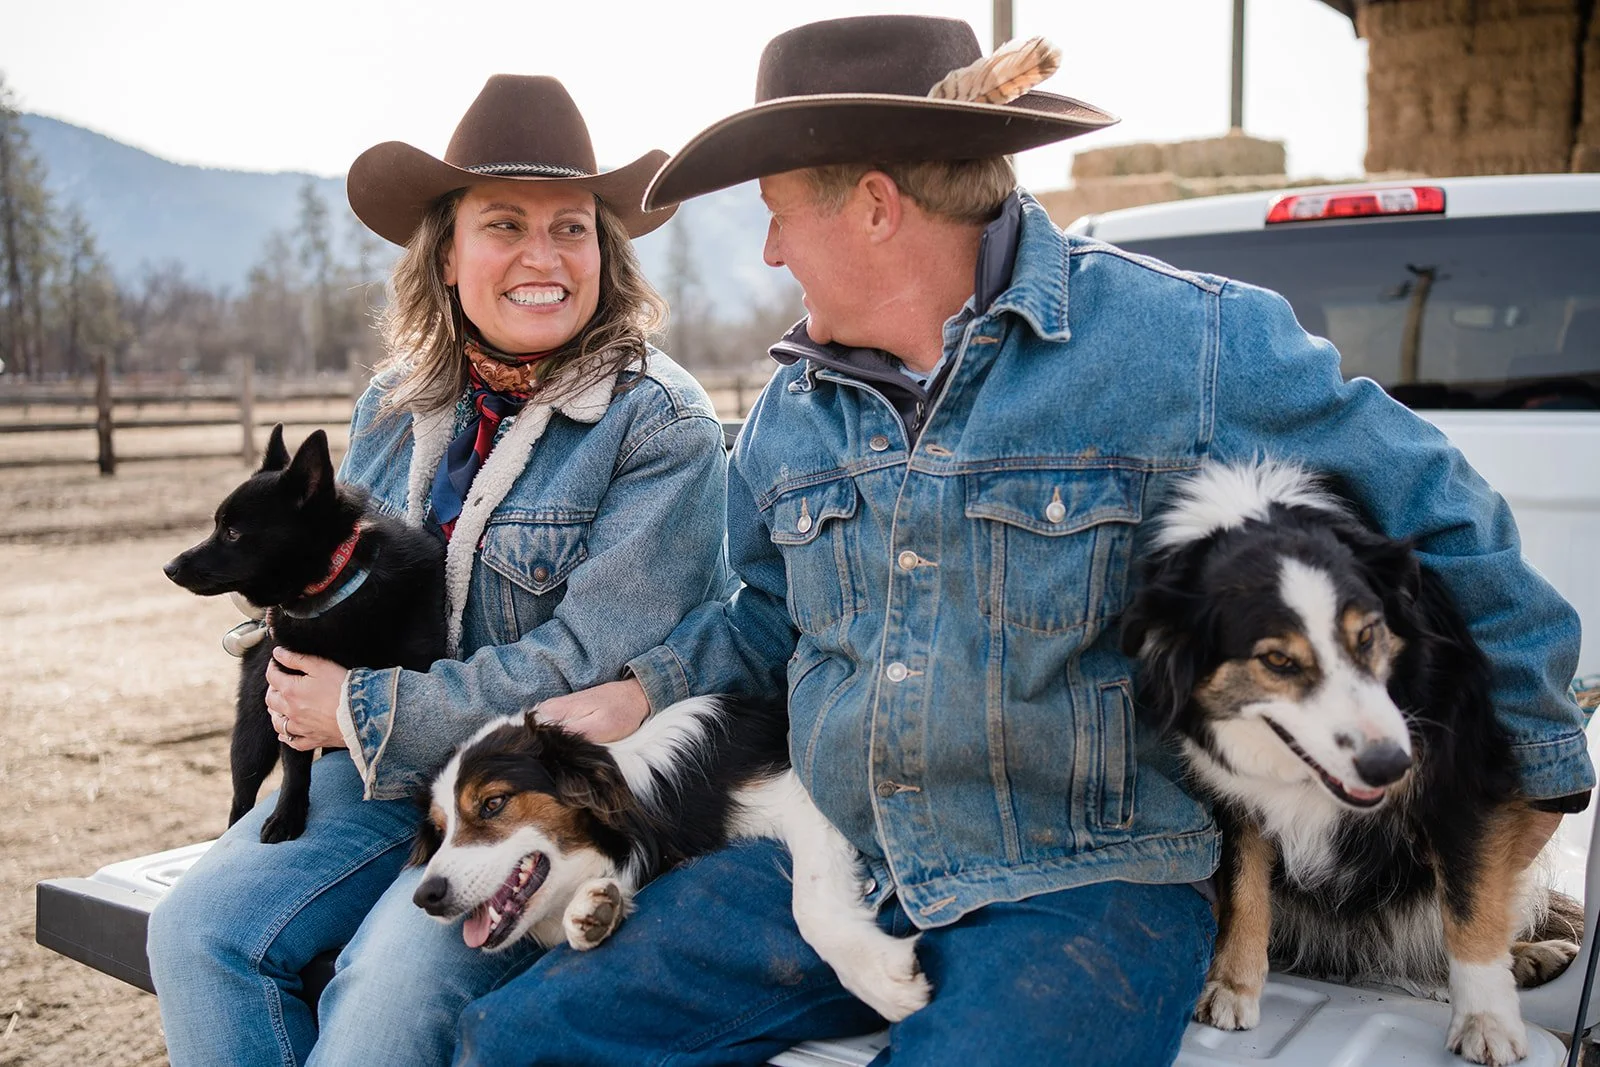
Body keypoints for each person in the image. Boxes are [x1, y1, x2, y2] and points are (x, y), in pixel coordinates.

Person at [455, 16, 1596, 1067]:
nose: (765, 251)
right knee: (513, 1041)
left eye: (777, 210)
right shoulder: (791, 415)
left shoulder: (1186, 342)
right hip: (844, 855)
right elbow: (759, 619)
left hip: (1086, 887)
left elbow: (1448, 519)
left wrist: (1539, 767)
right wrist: (640, 687)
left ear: (872, 205)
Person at [145, 75, 733, 1067]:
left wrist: (365, 709)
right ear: (448, 252)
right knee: (196, 935)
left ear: (607, 251)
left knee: (382, 999)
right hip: (374, 779)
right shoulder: (394, 402)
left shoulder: (657, 424)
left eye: (572, 228)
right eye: (504, 225)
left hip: (530, 795)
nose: (543, 257)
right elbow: (332, 578)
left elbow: (583, 669)